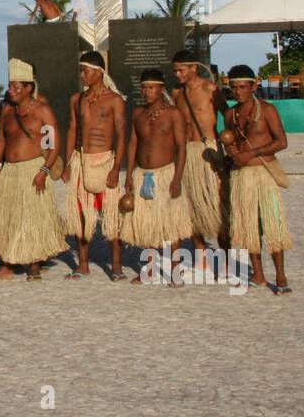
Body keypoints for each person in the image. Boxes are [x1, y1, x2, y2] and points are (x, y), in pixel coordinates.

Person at [0, 58, 67, 281]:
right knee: (8, 217)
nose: (10, 90)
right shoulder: (8, 110)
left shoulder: (43, 110)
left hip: (34, 170)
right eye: (10, 86)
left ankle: (34, 266)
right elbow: (2, 136)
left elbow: (54, 144)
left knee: (33, 218)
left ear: (28, 88)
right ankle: (7, 266)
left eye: (16, 87)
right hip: (10, 171)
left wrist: (43, 172)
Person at [221, 64, 293, 294]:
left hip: (263, 174)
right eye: (234, 87)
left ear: (253, 86)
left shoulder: (267, 110)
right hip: (241, 176)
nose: (238, 91)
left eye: (242, 87)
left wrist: (251, 153)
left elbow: (281, 141)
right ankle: (259, 274)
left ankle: (280, 276)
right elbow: (231, 143)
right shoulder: (230, 114)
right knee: (248, 226)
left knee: (273, 224)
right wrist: (231, 153)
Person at [121, 69, 192, 287]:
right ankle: (150, 270)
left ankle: (175, 271)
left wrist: (177, 178)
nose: (147, 92)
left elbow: (181, 147)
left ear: (161, 89)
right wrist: (130, 174)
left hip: (166, 174)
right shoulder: (138, 114)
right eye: (144, 87)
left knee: (172, 224)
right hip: (143, 174)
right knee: (147, 223)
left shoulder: (174, 114)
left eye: (151, 87)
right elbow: (133, 144)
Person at [62, 52, 126, 279]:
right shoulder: (76, 99)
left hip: (105, 161)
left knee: (111, 216)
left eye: (86, 71)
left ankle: (116, 267)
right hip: (81, 161)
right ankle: (83, 264)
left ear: (99, 71)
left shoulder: (114, 100)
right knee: (81, 215)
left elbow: (120, 133)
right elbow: (71, 130)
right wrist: (67, 162)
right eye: (80, 70)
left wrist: (116, 167)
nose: (82, 75)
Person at [171, 50, 229, 274]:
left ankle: (226, 258)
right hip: (187, 153)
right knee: (192, 206)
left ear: (193, 68)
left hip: (209, 150)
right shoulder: (177, 94)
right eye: (175, 70)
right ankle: (201, 257)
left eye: (181, 69)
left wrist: (230, 144)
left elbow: (229, 115)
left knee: (217, 205)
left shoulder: (210, 89)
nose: (177, 74)